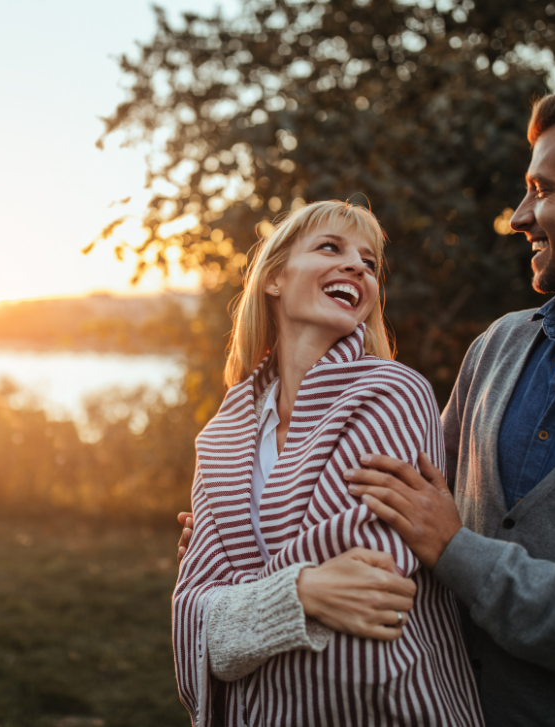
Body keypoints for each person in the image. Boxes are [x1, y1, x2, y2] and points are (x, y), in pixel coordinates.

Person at [332, 86, 555, 726]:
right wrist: (251, 531)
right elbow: (406, 501)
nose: (519, 216)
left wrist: (461, 552)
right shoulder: (501, 344)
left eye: (544, 191)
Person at [173, 199, 482, 726]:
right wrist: (301, 589)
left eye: (369, 262)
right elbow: (189, 631)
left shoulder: (393, 393)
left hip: (393, 710)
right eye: (330, 248)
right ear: (274, 279)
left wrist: (237, 601)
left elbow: (373, 577)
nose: (357, 267)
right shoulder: (221, 437)